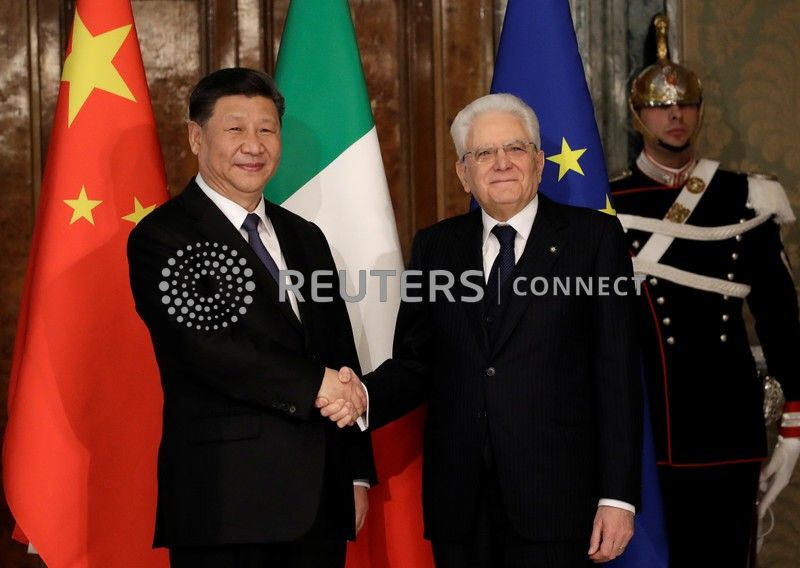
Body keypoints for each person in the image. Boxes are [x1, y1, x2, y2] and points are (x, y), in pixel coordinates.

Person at [320, 93, 642, 566]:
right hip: (460, 504)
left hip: (558, 500)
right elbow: (416, 362)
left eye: (515, 148)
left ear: (538, 161)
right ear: (463, 173)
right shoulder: (435, 247)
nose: (502, 163)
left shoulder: (593, 238)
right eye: (484, 153)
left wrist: (618, 497)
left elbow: (617, 375)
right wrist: (362, 395)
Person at [127, 67, 374, 567]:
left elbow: (338, 350)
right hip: (226, 501)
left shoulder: (305, 237)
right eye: (235, 128)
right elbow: (207, 349)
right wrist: (316, 384)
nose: (253, 145)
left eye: (266, 129)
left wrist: (355, 472)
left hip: (320, 500)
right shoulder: (163, 236)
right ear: (196, 137)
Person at [609, 15, 800, 567]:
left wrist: (794, 421)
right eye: (660, 106)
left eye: (686, 104)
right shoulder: (610, 204)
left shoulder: (745, 197)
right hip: (645, 422)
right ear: (638, 115)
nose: (675, 116)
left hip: (726, 424)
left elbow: (781, 320)